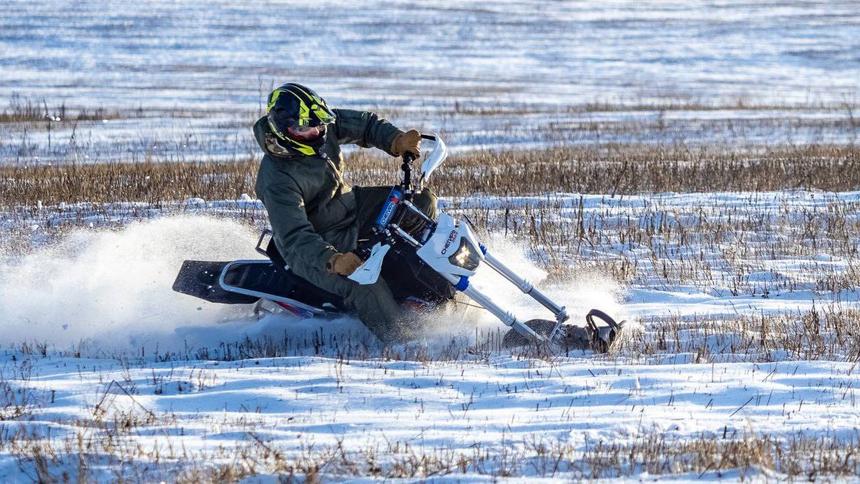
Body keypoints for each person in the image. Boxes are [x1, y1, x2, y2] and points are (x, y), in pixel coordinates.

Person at [253, 83, 437, 344]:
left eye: (319, 124)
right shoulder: (277, 179)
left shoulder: (320, 126)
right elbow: (294, 238)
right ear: (284, 131)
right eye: (306, 128)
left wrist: (395, 140)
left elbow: (365, 125)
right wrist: (333, 259)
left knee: (420, 202)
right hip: (320, 243)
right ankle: (403, 344)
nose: (317, 131)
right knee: (366, 284)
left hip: (349, 205)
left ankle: (419, 285)